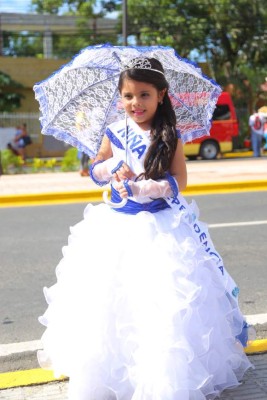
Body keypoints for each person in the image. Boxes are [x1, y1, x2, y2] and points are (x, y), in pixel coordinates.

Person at [38, 57, 253, 400]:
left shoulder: (170, 135)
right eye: (127, 96)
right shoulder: (114, 130)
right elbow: (94, 170)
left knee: (160, 304)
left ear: (161, 95)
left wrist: (155, 187)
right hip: (115, 225)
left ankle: (162, 379)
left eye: (143, 95)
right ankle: (113, 376)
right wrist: (110, 170)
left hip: (160, 227)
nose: (135, 103)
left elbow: (181, 178)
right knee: (110, 300)